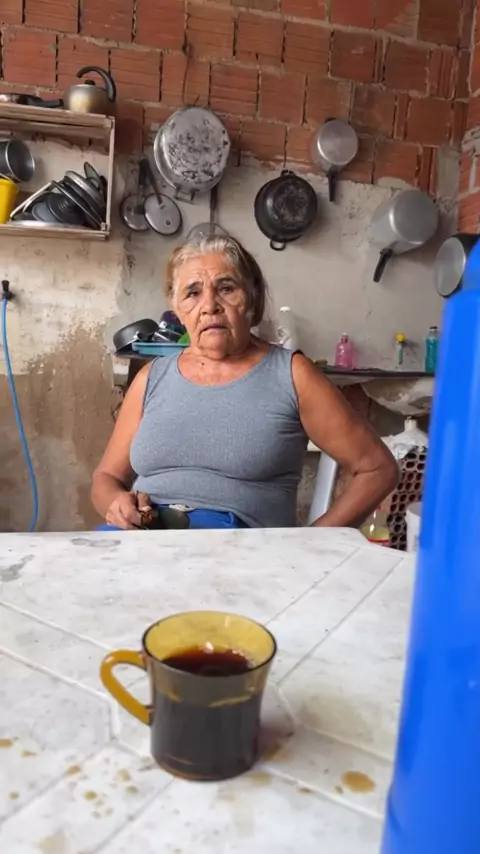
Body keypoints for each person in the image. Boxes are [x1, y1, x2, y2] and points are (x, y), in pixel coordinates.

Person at [92, 235, 397, 531]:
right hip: (144, 543)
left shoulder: (292, 375)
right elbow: (106, 478)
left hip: (241, 552)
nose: (210, 305)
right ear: (177, 310)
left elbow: (377, 469)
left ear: (253, 298)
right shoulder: (152, 378)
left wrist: (311, 544)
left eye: (226, 288)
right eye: (193, 293)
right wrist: (117, 503)